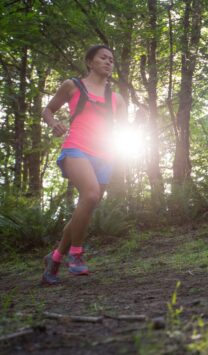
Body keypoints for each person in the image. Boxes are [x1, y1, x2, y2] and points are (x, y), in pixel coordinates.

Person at [41, 45, 126, 285]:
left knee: (87, 207)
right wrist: (53, 123)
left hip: (105, 155)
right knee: (90, 195)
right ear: (90, 61)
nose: (109, 62)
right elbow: (47, 110)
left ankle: (55, 257)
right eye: (103, 58)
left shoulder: (117, 98)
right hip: (76, 148)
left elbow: (121, 128)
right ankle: (76, 254)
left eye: (112, 59)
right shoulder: (72, 85)